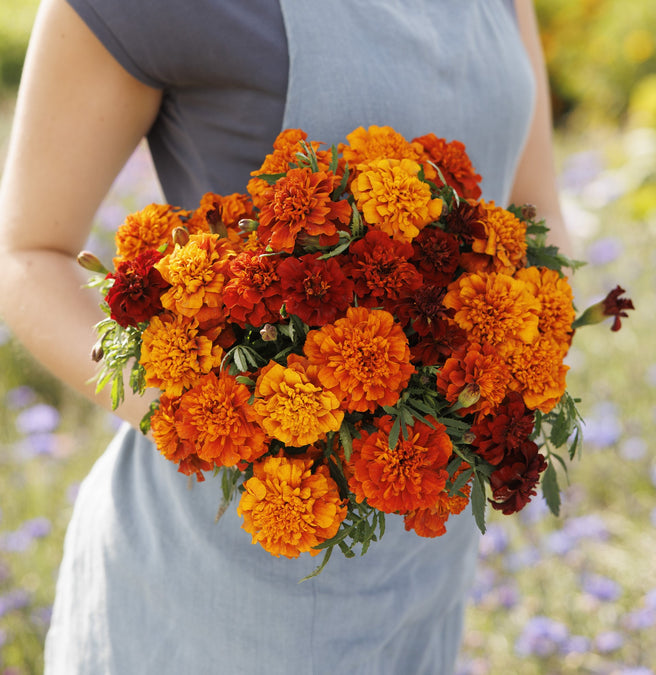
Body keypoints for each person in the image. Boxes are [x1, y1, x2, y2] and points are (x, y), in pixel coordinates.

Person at [0, 0, 571, 672]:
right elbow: (28, 255)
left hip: (424, 567)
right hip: (214, 579)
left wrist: (520, 369)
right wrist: (215, 422)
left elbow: (535, 214)